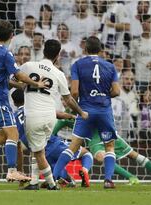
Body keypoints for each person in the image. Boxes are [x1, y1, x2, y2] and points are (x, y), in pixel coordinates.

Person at [0, 20, 49, 190]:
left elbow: (4, 79)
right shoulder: (5, 54)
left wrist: (19, 85)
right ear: (12, 36)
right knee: (13, 134)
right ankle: (12, 170)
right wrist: (35, 84)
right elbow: (19, 74)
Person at [17, 39, 88, 190]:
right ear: (57, 55)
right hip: (50, 117)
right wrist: (81, 112)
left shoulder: (29, 66)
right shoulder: (59, 74)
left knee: (39, 153)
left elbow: (13, 81)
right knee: (38, 150)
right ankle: (34, 182)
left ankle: (52, 184)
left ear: (43, 51)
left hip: (33, 115)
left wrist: (28, 83)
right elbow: (68, 99)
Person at [53, 36, 120, 189]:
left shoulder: (78, 65)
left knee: (73, 147)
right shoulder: (110, 66)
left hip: (85, 111)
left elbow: (74, 92)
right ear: (101, 50)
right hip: (104, 111)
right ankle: (108, 180)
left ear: (85, 49)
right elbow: (116, 91)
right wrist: (102, 95)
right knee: (109, 146)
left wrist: (75, 106)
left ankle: (54, 178)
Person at [11, 89, 93, 190]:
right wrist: (71, 116)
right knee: (86, 153)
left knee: (54, 167)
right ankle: (84, 170)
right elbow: (57, 114)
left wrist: (20, 171)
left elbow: (18, 146)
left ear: (14, 102)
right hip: (53, 144)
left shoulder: (13, 119)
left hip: (40, 155)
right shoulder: (34, 107)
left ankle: (64, 179)